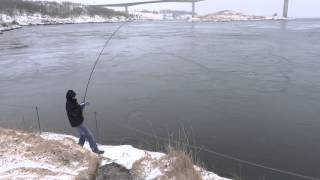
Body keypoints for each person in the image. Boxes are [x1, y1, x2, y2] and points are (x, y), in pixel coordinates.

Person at [65, 90, 104, 154]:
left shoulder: (72, 102)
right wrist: (81, 107)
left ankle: (79, 148)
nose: (75, 97)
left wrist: (83, 105)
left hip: (76, 122)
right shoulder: (69, 104)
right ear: (70, 97)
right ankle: (95, 150)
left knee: (83, 135)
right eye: (73, 96)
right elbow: (74, 113)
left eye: (75, 96)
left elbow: (76, 108)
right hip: (77, 123)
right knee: (89, 136)